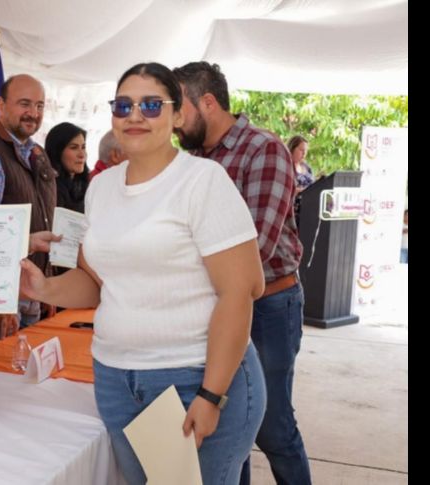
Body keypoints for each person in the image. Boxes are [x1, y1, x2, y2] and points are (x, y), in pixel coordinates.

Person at [20, 62, 266, 485]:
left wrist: (211, 395)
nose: (135, 115)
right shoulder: (102, 187)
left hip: (194, 378)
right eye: (123, 105)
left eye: (152, 105)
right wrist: (44, 287)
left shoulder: (202, 181)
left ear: (177, 117)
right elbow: (99, 283)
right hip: (117, 381)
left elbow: (240, 291)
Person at [173, 61, 310, 485]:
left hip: (268, 305)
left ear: (207, 103)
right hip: (213, 304)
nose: (173, 121)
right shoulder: (192, 159)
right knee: (230, 425)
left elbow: (257, 249)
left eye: (178, 109)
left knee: (271, 426)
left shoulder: (264, 150)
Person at [0, 74, 58, 345]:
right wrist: (1, 302)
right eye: (25, 104)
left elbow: (44, 222)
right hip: (1, 302)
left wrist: (48, 288)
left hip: (31, 294)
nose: (33, 113)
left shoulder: (36, 152)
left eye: (40, 106)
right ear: (2, 105)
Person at [45, 122, 89, 213]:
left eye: (83, 147)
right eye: (74, 147)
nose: (82, 154)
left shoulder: (84, 184)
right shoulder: (48, 188)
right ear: (57, 152)